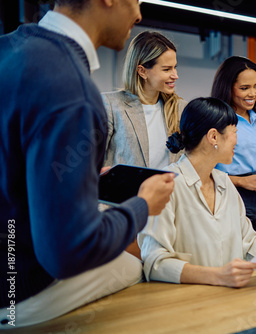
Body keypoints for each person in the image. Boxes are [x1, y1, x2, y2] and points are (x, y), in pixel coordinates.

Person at [0, 0, 174, 328]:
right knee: (134, 266)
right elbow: (67, 251)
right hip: (13, 291)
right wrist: (141, 206)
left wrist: (78, 176)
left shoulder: (8, 48)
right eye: (136, 0)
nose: (138, 14)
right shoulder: (73, 89)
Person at [139, 97, 256, 287]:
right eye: (235, 132)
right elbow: (154, 262)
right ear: (214, 137)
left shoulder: (223, 182)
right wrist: (216, 275)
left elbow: (248, 242)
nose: (237, 140)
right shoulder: (166, 184)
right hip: (188, 302)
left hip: (231, 296)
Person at [211, 56, 256, 238]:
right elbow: (204, 169)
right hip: (229, 196)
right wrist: (241, 181)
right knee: (237, 255)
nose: (253, 93)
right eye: (244, 88)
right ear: (228, 88)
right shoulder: (217, 121)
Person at [103, 30, 187, 169]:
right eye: (166, 69)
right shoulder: (111, 106)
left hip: (170, 190)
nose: (175, 75)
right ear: (142, 71)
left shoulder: (181, 108)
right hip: (127, 190)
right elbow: (92, 163)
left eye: (175, 68)